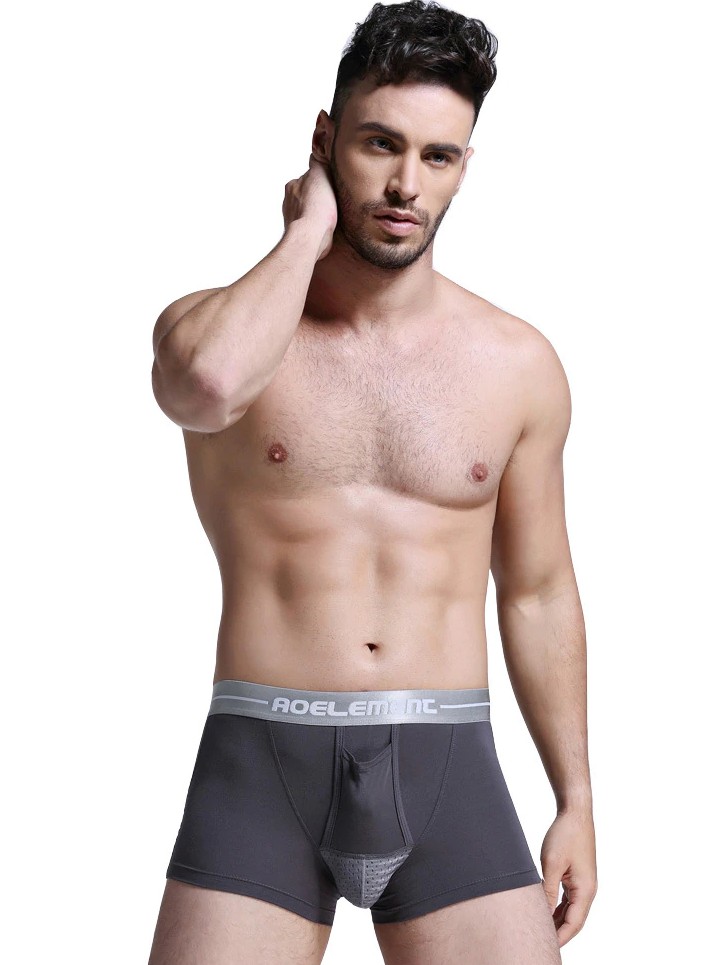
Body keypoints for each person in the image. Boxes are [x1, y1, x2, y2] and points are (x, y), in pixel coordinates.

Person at [147, 2, 596, 962]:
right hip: (260, 766)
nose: (405, 185)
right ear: (324, 140)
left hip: (451, 768)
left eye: (438, 157)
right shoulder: (213, 330)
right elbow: (207, 389)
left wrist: (575, 796)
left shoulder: (516, 363)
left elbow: (536, 587)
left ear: (464, 166)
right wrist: (305, 233)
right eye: (379, 144)